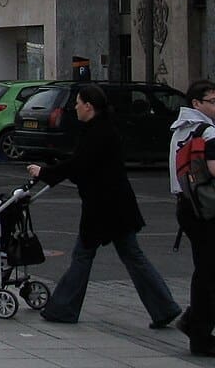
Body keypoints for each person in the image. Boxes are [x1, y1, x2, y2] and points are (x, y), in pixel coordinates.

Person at [26, 84, 180, 327]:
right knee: (130, 255)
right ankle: (164, 307)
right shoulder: (100, 129)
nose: (75, 107)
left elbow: (79, 164)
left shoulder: (99, 132)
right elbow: (82, 166)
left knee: (85, 254)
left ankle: (64, 308)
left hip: (104, 206)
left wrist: (45, 171)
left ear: (89, 106)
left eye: (78, 102)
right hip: (114, 204)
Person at [171, 79, 215, 356]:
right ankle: (198, 330)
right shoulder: (208, 131)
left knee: (205, 269)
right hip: (207, 208)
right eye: (212, 100)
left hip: (186, 205)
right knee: (208, 273)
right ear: (196, 103)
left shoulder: (179, 128)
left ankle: (194, 322)